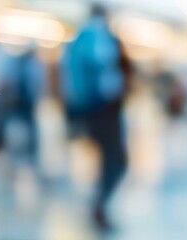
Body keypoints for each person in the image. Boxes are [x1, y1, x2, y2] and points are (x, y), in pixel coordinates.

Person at [60, 4, 131, 232]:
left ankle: (98, 206)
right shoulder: (97, 36)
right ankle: (98, 206)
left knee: (108, 161)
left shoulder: (80, 38)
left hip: (94, 109)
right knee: (117, 161)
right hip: (104, 109)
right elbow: (105, 71)